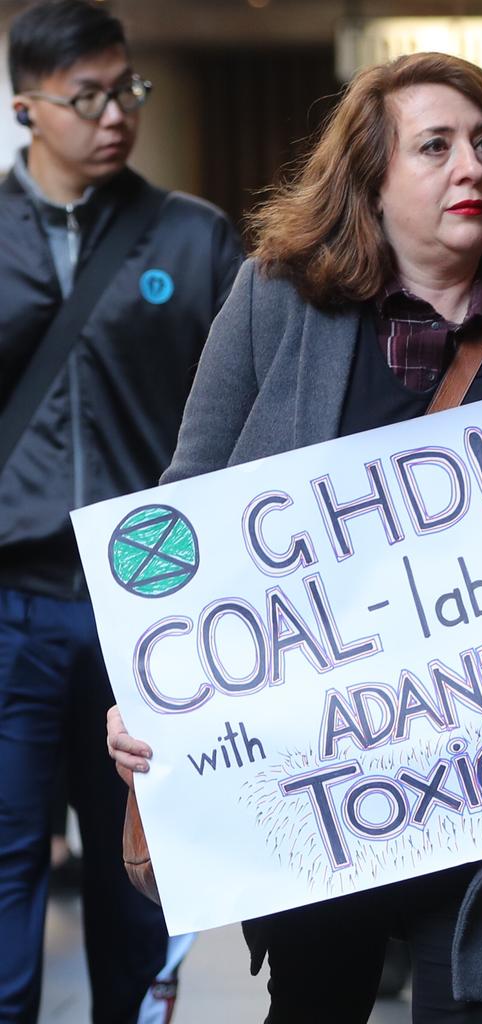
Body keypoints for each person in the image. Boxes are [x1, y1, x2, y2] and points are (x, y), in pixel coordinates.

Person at [107, 50, 482, 1023]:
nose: (472, 169)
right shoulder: (274, 304)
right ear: (369, 178)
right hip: (322, 787)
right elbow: (185, 516)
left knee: (476, 1010)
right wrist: (149, 691)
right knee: (316, 1002)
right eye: (437, 147)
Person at [0, 2, 242, 1021]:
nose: (114, 115)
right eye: (86, 97)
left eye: (125, 90)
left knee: (143, 864)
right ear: (27, 108)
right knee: (6, 861)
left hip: (149, 612)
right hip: (12, 603)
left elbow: (248, 420)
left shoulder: (193, 238)